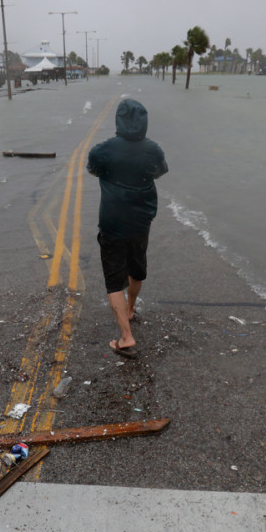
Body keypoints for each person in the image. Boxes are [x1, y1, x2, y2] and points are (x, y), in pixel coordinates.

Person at [86, 98, 169, 357]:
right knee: (136, 269)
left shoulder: (102, 151)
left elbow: (94, 171)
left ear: (118, 121)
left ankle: (125, 337)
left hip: (112, 222)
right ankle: (131, 309)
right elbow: (158, 172)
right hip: (141, 221)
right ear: (144, 121)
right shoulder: (153, 149)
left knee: (114, 281)